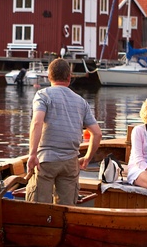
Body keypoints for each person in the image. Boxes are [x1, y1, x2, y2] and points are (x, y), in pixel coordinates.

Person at [26, 58, 102, 205]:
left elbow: (37, 122)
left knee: (39, 208)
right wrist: (87, 158)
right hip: (70, 163)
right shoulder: (81, 102)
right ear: (69, 77)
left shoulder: (43, 95)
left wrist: (32, 154)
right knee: (66, 210)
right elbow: (97, 134)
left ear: (49, 77)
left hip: (46, 161)